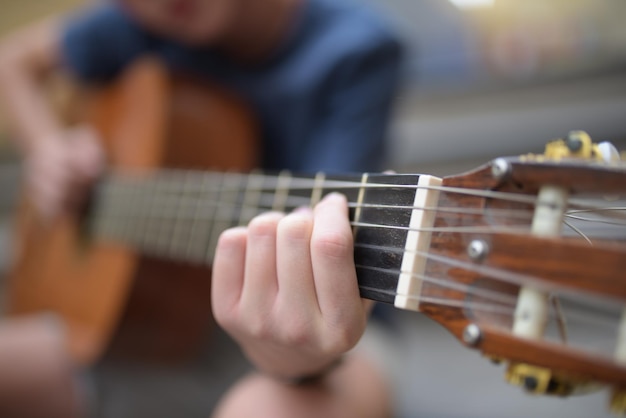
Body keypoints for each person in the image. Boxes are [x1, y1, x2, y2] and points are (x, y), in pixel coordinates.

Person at [0, 0, 403, 416]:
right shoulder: (143, 19)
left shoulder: (354, 47)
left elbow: (335, 239)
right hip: (142, 325)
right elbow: (12, 63)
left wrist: (298, 361)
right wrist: (48, 151)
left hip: (334, 323)